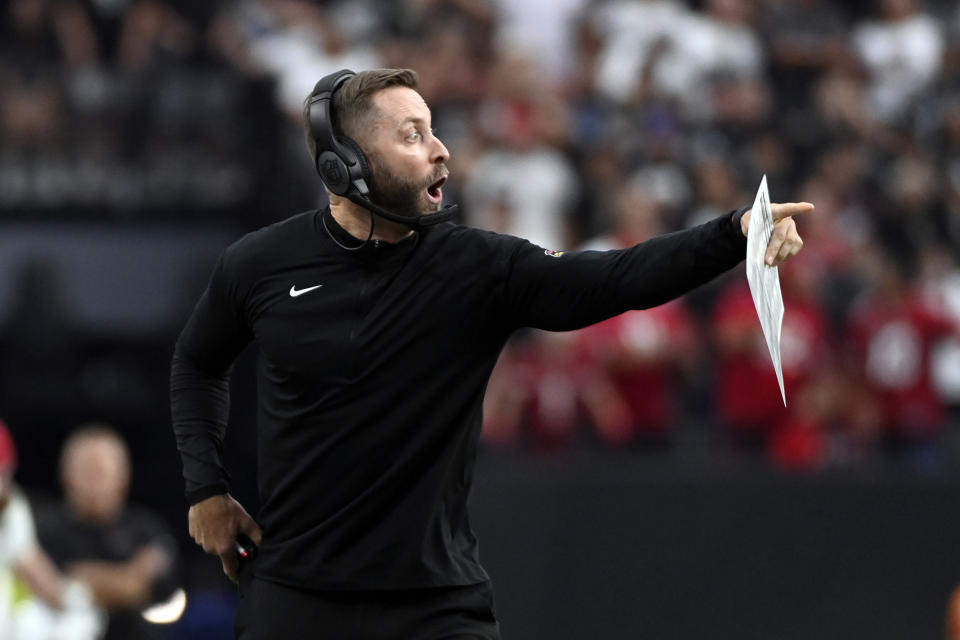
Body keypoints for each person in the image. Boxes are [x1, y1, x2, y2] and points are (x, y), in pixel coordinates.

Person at [171, 67, 811, 639]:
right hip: (296, 595)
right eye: (413, 135)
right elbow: (197, 365)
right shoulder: (257, 264)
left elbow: (614, 278)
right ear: (344, 163)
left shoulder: (477, 268)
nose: (442, 150)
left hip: (433, 602)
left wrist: (734, 233)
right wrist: (207, 490)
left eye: (434, 129)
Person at [35, 424, 180, 640]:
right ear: (65, 474)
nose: (94, 481)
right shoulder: (44, 531)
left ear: (123, 475)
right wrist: (128, 577)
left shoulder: (147, 529)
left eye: (101, 471)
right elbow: (51, 590)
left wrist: (86, 579)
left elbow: (161, 589)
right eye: (86, 470)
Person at [0, 419, 103, 640]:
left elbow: (29, 562)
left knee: (38, 617)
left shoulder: (11, 507)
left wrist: (74, 603)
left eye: (4, 474)